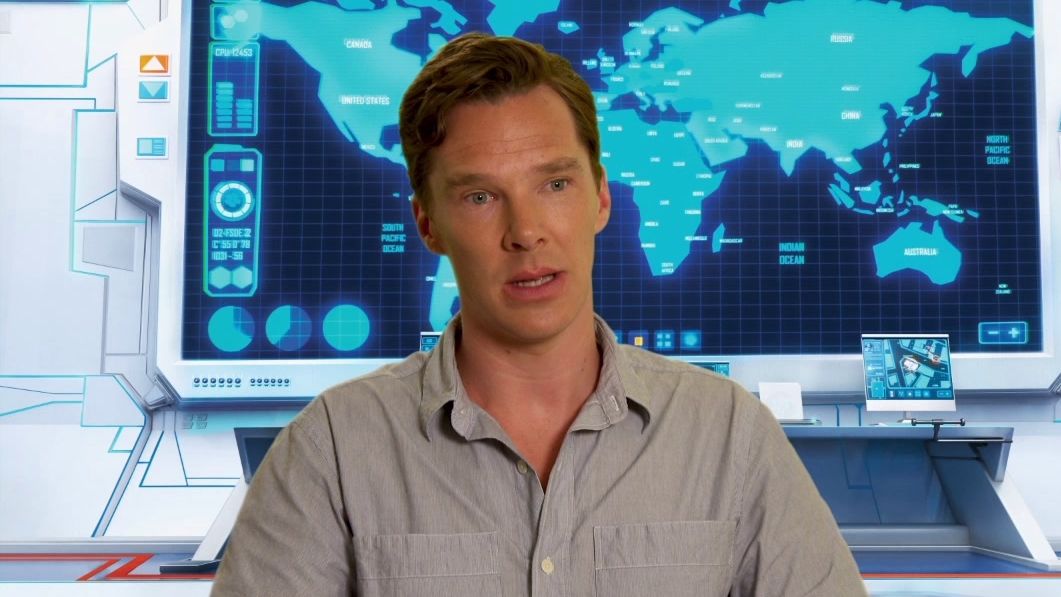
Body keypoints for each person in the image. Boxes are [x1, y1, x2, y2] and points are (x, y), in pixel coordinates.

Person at [212, 33, 867, 596]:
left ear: (601, 197)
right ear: (427, 223)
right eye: (479, 196)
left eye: (554, 184)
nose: (525, 231)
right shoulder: (330, 451)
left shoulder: (729, 435)